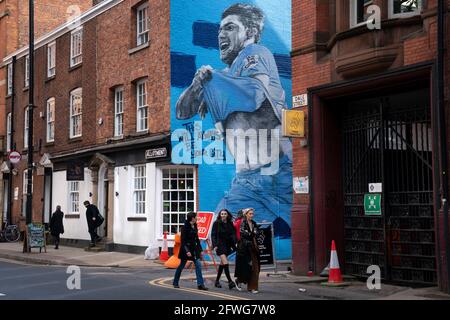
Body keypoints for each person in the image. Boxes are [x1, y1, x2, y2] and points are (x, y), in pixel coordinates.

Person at [176, 3, 293, 240]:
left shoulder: (256, 53)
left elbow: (253, 95)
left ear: (249, 32)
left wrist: (213, 81)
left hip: (279, 174)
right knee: (221, 239)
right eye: (220, 30)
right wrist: (198, 84)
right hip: (246, 182)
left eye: (230, 28)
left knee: (311, 228)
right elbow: (182, 112)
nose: (221, 35)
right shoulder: (220, 77)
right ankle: (244, 274)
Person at [173, 211, 208, 290]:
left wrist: (200, 250)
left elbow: (197, 239)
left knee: (198, 265)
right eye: (196, 217)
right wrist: (187, 251)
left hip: (194, 249)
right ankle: (175, 282)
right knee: (181, 266)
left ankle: (200, 284)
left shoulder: (195, 225)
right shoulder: (184, 228)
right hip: (186, 250)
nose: (197, 218)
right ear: (192, 218)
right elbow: (183, 241)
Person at [235, 208, 260, 293]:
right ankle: (239, 280)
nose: (251, 215)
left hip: (253, 248)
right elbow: (244, 234)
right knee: (245, 268)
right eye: (250, 214)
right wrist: (251, 234)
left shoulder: (254, 223)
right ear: (246, 214)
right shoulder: (243, 223)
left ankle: (252, 287)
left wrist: (252, 234)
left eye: (252, 214)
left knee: (255, 268)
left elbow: (257, 233)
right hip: (244, 249)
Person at [211, 209, 237, 289]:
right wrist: (214, 245)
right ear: (220, 215)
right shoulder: (216, 223)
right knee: (225, 262)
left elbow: (233, 234)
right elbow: (213, 235)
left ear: (227, 215)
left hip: (227, 246)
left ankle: (217, 281)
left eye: (225, 214)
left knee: (222, 264)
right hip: (219, 245)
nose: (223, 215)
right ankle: (230, 281)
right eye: (222, 214)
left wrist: (235, 243)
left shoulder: (230, 223)